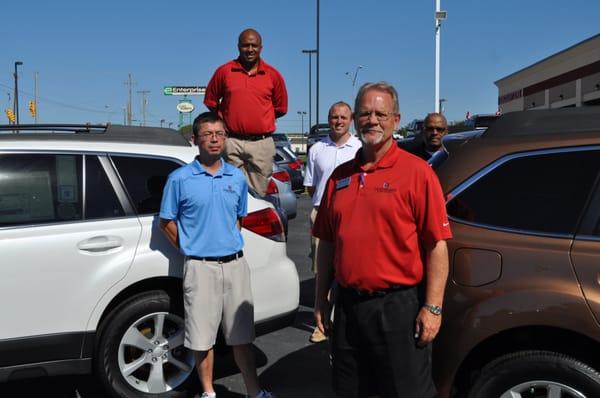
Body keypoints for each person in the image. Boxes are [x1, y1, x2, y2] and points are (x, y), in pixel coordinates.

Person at [313, 82, 452, 398]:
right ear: (355, 119)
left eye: (380, 113)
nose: (372, 120)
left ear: (396, 120)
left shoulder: (418, 173)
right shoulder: (339, 177)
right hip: (348, 307)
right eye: (365, 113)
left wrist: (433, 307)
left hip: (398, 308)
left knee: (407, 392)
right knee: (350, 390)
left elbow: (437, 245)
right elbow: (328, 242)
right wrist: (321, 297)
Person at [159, 112, 274, 398]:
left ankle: (254, 392)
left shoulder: (235, 177)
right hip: (200, 269)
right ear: (195, 139)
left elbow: (238, 218)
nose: (214, 139)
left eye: (219, 134)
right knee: (201, 339)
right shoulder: (180, 179)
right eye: (207, 134)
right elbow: (166, 222)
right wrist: (190, 248)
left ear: (225, 139)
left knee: (242, 337)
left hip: (235, 266)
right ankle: (209, 393)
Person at [204, 28, 288, 197]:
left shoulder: (273, 75)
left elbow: (281, 108)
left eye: (254, 45)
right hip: (231, 141)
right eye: (245, 45)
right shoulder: (224, 71)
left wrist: (259, 120)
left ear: (261, 48)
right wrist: (225, 120)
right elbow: (211, 101)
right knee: (229, 193)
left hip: (261, 145)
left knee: (257, 196)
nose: (250, 49)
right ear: (238, 47)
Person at [303, 101, 361, 343]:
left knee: (349, 268)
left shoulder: (359, 147)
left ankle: (344, 319)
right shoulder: (316, 149)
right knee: (323, 269)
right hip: (322, 214)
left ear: (351, 119)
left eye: (343, 117)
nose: (338, 121)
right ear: (329, 119)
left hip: (354, 216)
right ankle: (322, 322)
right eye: (334, 117)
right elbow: (310, 185)